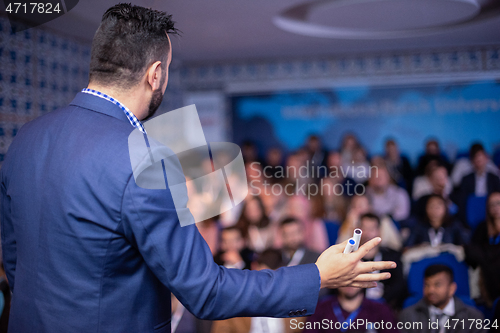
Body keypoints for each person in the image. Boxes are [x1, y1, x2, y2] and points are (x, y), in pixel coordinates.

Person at [0, 4, 395, 332]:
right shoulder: (144, 157)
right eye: (167, 70)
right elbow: (206, 292)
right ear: (156, 74)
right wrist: (318, 276)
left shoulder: (26, 138)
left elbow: (15, 262)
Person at [399, 264, 485, 333]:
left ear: (452, 288)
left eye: (437, 285)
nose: (431, 290)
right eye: (427, 285)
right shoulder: (409, 315)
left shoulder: (472, 317)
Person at [359, 213, 406, 310]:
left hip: (385, 306)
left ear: (379, 231)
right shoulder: (352, 257)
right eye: (364, 228)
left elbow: (399, 285)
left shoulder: (392, 256)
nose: (368, 233)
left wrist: (383, 302)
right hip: (356, 306)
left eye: (372, 229)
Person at [303, 286, 399, 332]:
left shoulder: (380, 309)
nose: (350, 282)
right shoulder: (321, 307)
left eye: (355, 277)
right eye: (345, 276)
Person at [465, 192, 500, 306]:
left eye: (498, 203)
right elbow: (472, 250)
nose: (495, 207)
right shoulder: (482, 227)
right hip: (489, 269)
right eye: (492, 204)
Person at [405, 195, 469, 248]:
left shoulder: (454, 225)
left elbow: (464, 246)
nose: (434, 211)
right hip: (425, 260)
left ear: (445, 208)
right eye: (431, 207)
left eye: (438, 207)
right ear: (426, 208)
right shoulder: (419, 226)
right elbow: (407, 247)